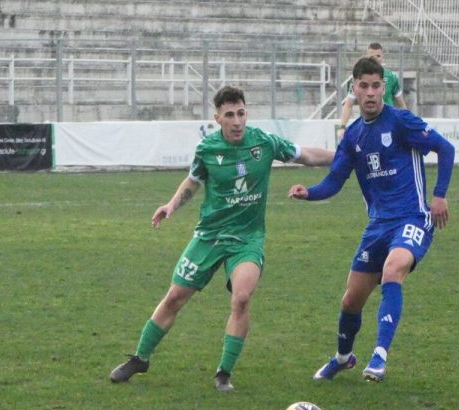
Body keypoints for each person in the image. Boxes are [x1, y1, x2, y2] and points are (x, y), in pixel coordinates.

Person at [109, 85, 334, 392]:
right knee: (175, 297)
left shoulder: (264, 142)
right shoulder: (207, 150)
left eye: (241, 113)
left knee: (241, 297)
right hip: (210, 236)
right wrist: (171, 205)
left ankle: (223, 374)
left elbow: (306, 155)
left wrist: (344, 157)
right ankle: (140, 358)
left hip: (247, 239)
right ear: (218, 118)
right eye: (230, 115)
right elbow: (193, 181)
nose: (237, 120)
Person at [289, 56, 454, 383]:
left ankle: (379, 355)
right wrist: (308, 193)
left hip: (413, 218)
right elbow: (335, 181)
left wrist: (439, 195)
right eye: (363, 86)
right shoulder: (352, 137)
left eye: (376, 86)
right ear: (354, 89)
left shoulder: (402, 121)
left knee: (394, 269)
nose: (370, 93)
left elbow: (445, 148)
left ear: (384, 88)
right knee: (351, 300)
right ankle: (342, 357)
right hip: (377, 225)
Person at [338, 43, 406, 139]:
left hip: (389, 125)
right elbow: (348, 104)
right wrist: (342, 126)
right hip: (368, 126)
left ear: (382, 57)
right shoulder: (358, 79)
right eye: (372, 56)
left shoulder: (391, 77)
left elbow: (401, 104)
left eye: (378, 56)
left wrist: (406, 124)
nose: (376, 59)